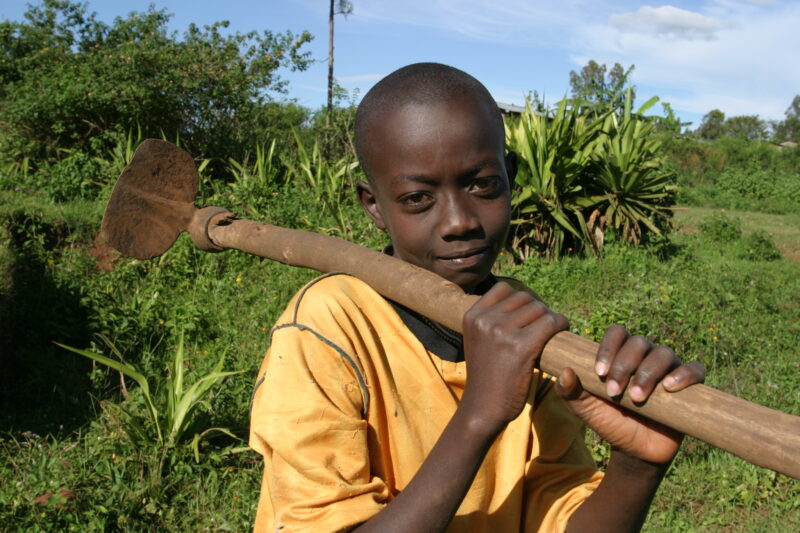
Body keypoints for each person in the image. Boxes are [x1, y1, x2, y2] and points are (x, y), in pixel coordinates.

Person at [249, 62, 705, 532]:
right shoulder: (330, 325)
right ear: (374, 205)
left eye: (482, 184)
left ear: (509, 176)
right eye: (417, 199)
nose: (459, 222)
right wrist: (479, 416)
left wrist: (637, 465)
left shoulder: (522, 323)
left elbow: (561, 513)